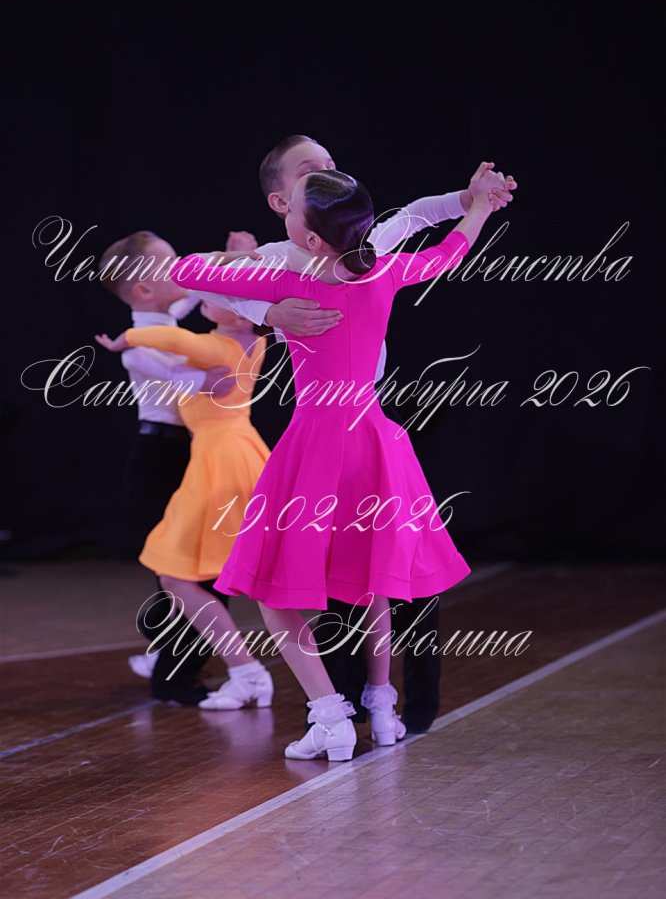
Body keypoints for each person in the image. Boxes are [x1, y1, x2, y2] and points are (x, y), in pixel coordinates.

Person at [165, 162, 505, 760]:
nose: (284, 214)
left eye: (292, 208)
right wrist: (476, 208)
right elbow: (448, 252)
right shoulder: (384, 270)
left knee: (273, 590)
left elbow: (184, 270)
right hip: (373, 438)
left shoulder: (285, 282)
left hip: (317, 442)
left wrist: (256, 285)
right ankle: (381, 704)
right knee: (372, 580)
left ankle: (330, 716)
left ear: (310, 237)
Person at [98, 229, 259, 704]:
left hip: (189, 453)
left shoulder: (168, 315)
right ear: (144, 289)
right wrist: (212, 378)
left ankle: (168, 653)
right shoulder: (139, 346)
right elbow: (181, 375)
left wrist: (235, 259)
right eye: (170, 264)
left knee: (188, 570)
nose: (183, 268)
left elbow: (205, 291)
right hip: (159, 460)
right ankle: (175, 674)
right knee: (188, 571)